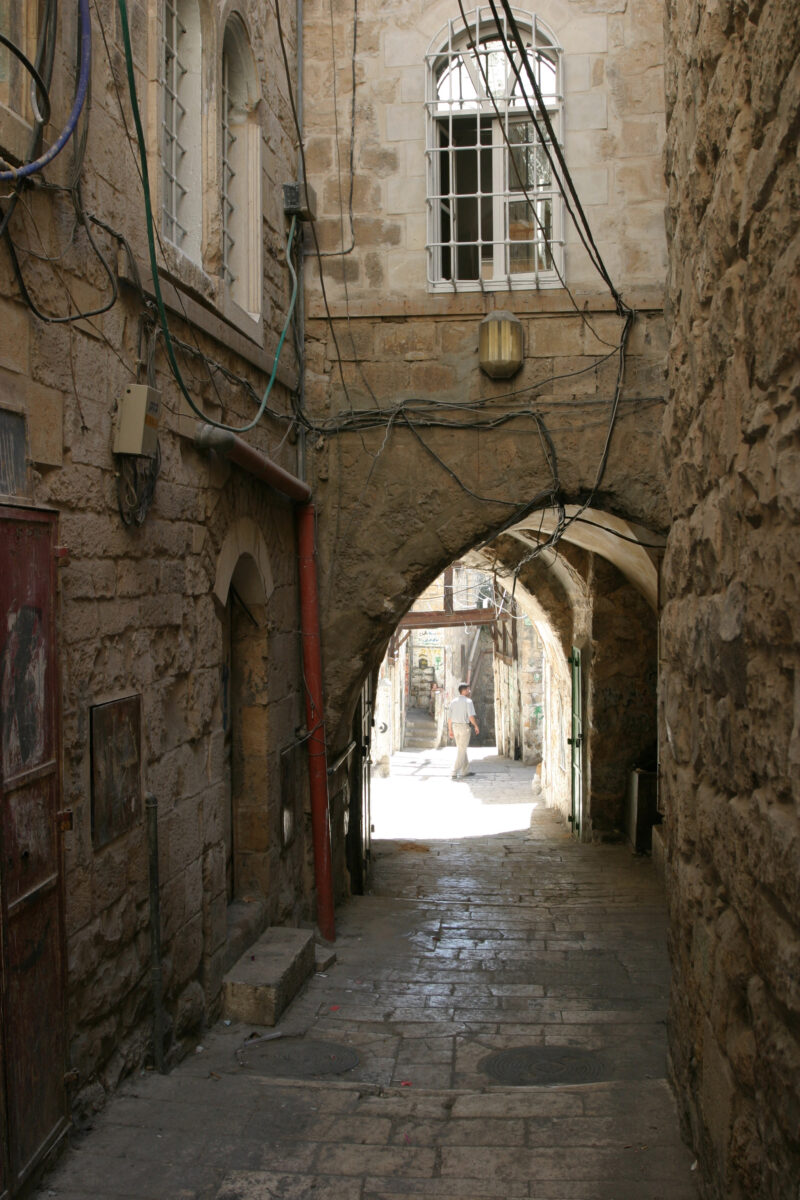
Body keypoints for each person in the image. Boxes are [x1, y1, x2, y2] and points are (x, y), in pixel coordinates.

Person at [447, 682, 479, 779]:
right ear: (464, 691)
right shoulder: (468, 702)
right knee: (461, 750)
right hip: (464, 728)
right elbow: (470, 717)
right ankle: (454, 771)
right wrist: (476, 726)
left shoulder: (453, 701)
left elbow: (449, 719)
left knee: (461, 749)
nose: (469, 691)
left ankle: (465, 771)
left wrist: (450, 730)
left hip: (455, 727)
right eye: (468, 689)